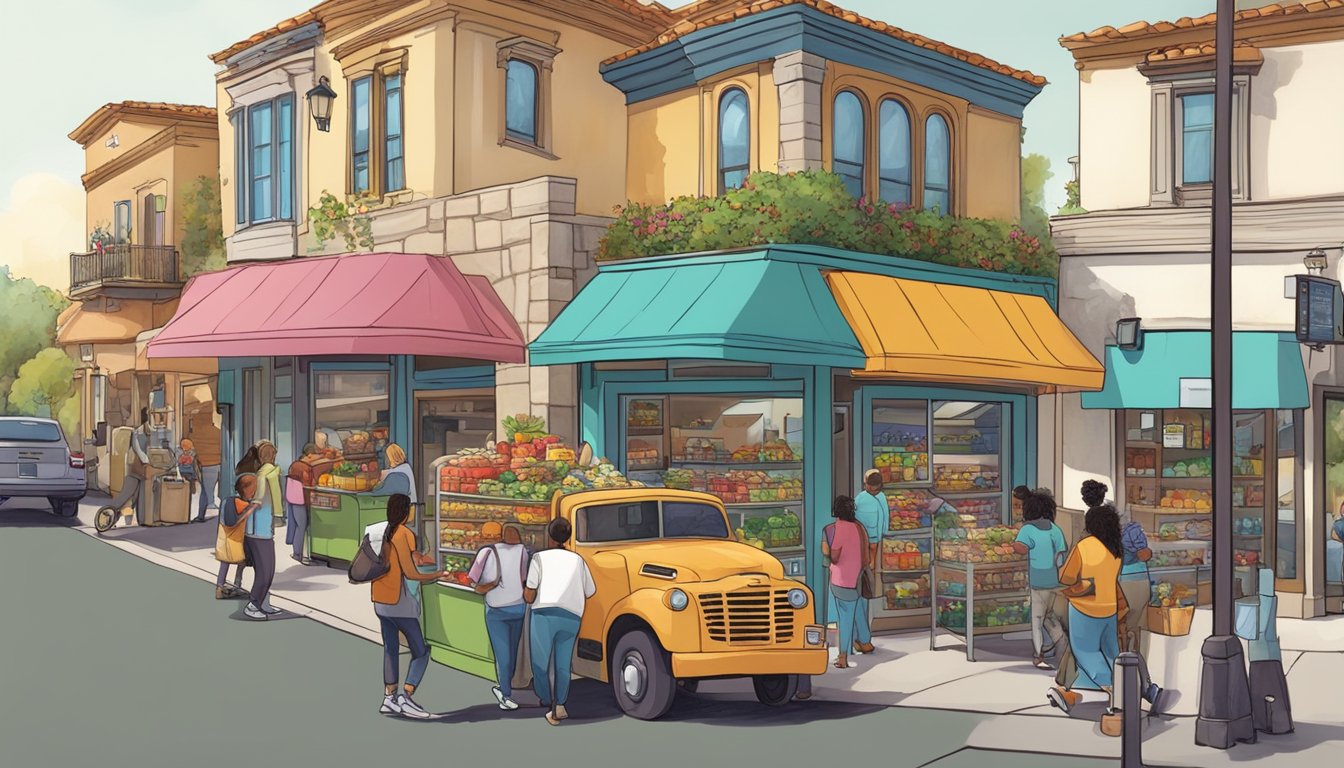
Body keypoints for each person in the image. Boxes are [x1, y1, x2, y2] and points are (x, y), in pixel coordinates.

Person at [369, 493, 444, 719]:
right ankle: (407, 696)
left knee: (391, 649)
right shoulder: (404, 534)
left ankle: (389, 698)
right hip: (399, 601)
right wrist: (437, 574)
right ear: (405, 511)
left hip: (380, 598)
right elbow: (410, 572)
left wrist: (417, 558)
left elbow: (398, 560)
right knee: (420, 651)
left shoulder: (379, 531)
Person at [1047, 503, 1127, 716]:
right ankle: (1117, 687)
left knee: (1086, 652)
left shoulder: (1084, 546)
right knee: (1112, 653)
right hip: (1109, 607)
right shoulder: (1116, 549)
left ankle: (1116, 692)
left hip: (1085, 607)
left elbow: (1066, 577)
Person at [525, 516, 595, 726]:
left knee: (540, 662)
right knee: (563, 664)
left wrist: (529, 595)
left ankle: (547, 700)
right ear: (568, 536)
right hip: (571, 616)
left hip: (544, 614)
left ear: (550, 536)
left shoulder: (539, 558)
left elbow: (529, 594)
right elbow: (590, 590)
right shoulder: (578, 560)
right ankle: (561, 704)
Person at [469, 522, 529, 711]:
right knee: (512, 651)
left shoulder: (486, 552)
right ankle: (505, 688)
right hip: (518, 607)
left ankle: (505, 693)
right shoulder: (523, 551)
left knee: (502, 654)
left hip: (496, 608)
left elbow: (473, 578)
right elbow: (524, 577)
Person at [1012, 486, 1068, 670]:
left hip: (1038, 580)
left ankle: (1039, 656)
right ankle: (1061, 642)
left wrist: (1015, 542)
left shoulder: (1027, 529)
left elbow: (1020, 548)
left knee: (1036, 619)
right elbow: (1062, 555)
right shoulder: (1055, 529)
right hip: (1055, 581)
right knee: (1048, 614)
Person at [823, 495, 871, 671]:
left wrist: (827, 551)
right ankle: (865, 642)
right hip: (859, 578)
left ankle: (843, 655)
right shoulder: (859, 527)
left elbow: (835, 557)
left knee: (845, 616)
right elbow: (867, 556)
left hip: (842, 580)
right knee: (858, 607)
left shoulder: (840, 528)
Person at [242, 442, 282, 620]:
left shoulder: (259, 473)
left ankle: (264, 603)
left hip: (254, 529)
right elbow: (262, 499)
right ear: (273, 456)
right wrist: (279, 516)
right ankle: (254, 605)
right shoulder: (270, 474)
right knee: (267, 571)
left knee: (262, 569)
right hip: (261, 530)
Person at [851, 469, 888, 654]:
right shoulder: (880, 499)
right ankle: (862, 638)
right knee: (864, 595)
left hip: (863, 553)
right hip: (872, 553)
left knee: (859, 596)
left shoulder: (860, 499)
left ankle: (859, 639)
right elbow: (884, 526)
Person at [216, 475, 256, 599]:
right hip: (237, 540)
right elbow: (240, 519)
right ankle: (237, 585)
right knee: (242, 563)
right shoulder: (245, 505)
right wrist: (253, 507)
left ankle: (219, 586)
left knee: (225, 563)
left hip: (224, 538)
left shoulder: (227, 501)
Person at [286, 443, 321, 564]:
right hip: (301, 500)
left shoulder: (294, 464)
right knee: (302, 526)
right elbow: (309, 484)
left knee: (297, 525)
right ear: (310, 454)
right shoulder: (305, 467)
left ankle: (298, 552)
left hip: (292, 499)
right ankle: (298, 554)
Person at [190, 406, 222, 523]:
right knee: (224, 492)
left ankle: (201, 515)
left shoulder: (196, 435)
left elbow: (193, 451)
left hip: (207, 465)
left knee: (205, 492)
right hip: (221, 464)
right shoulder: (218, 432)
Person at [177, 438, 202, 518]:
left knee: (187, 489)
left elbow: (180, 461)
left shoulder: (181, 454)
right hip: (191, 474)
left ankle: (187, 504)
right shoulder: (192, 453)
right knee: (191, 490)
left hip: (185, 474)